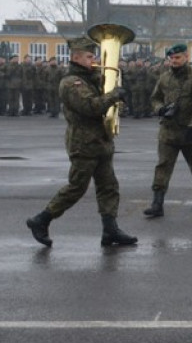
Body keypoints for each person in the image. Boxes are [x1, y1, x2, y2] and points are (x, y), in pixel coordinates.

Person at [25, 37, 135, 248]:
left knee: (109, 187)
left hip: (101, 141)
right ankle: (41, 220)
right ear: (76, 58)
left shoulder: (92, 78)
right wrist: (113, 96)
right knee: (76, 187)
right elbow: (90, 107)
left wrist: (117, 88)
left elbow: (105, 102)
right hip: (83, 143)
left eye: (94, 56)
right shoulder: (71, 83)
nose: (94, 60)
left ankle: (110, 229)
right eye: (89, 56)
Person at [143, 43, 192, 217]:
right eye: (171, 58)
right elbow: (155, 98)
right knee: (163, 166)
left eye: (177, 57)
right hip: (169, 130)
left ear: (186, 57)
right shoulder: (165, 77)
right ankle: (157, 203)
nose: (174, 61)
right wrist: (160, 109)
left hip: (190, 131)